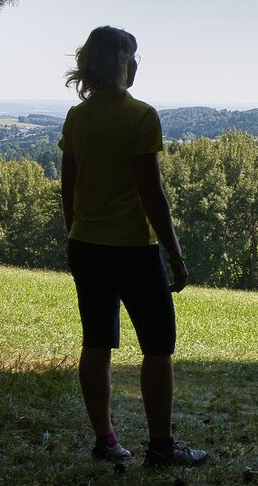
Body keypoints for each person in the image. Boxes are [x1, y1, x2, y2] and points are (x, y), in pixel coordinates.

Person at [60, 26, 207, 467]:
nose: (137, 63)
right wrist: (175, 255)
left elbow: (68, 188)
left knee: (96, 343)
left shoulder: (76, 118)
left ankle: (105, 442)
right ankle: (161, 449)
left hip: (86, 246)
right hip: (133, 251)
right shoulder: (142, 116)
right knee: (158, 348)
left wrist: (76, 235)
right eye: (132, 55)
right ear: (119, 64)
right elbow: (152, 194)